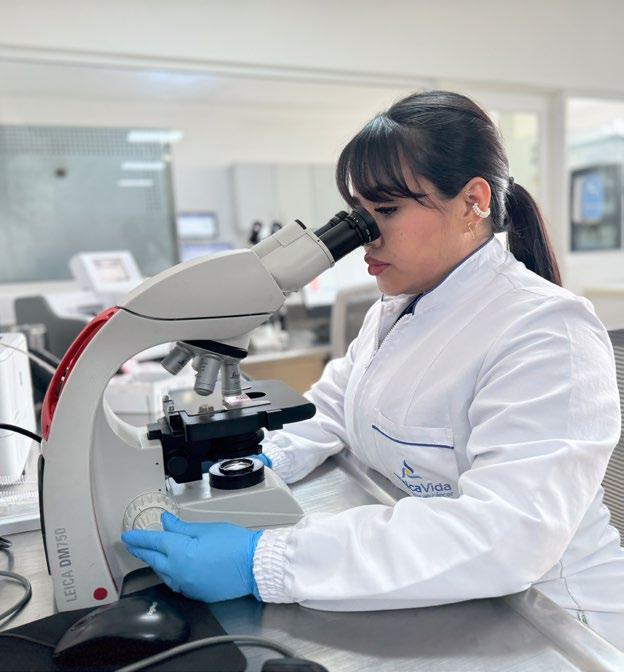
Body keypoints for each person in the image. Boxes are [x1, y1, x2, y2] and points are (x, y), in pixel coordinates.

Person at [122, 91, 624, 650]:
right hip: (453, 593)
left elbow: (507, 535)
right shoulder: (397, 308)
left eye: (386, 211)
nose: (366, 235)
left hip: (558, 621)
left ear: (472, 202)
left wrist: (265, 561)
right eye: (358, 214)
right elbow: (333, 410)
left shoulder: (547, 332)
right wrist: (250, 466)